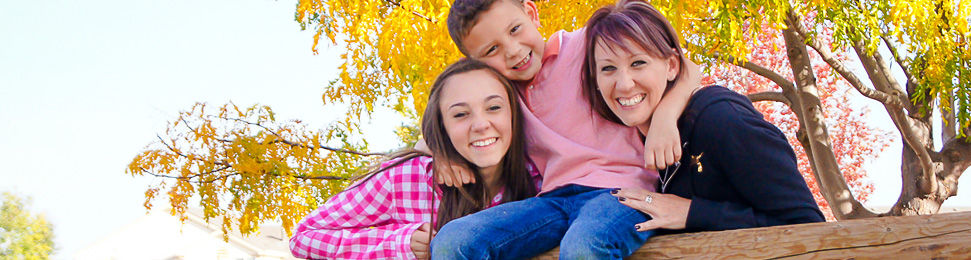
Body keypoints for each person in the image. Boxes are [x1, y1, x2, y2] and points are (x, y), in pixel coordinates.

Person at [429, 0, 702, 259]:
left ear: (531, 13)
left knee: (584, 245)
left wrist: (664, 118)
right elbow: (446, 123)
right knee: (452, 240)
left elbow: (687, 67)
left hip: (622, 190)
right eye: (492, 50)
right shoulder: (501, 95)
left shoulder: (586, 44)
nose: (512, 50)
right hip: (554, 201)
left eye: (515, 30)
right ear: (476, 62)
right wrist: (445, 155)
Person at [581, 0, 825, 233]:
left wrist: (691, 212)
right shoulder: (621, 142)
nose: (623, 84)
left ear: (672, 66)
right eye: (608, 68)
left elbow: (808, 226)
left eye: (638, 63)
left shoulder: (722, 122)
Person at [288, 59, 540, 260]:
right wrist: (399, 243)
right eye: (461, 114)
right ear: (442, 126)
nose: (481, 124)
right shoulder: (406, 179)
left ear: (514, 113)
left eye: (494, 107)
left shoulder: (540, 175)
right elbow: (304, 236)